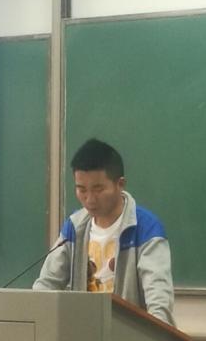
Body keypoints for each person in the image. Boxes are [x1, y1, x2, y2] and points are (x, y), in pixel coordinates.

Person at [33, 138, 175, 326]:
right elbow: (46, 285)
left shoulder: (146, 229)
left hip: (129, 336)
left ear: (120, 184)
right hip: (84, 334)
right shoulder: (75, 227)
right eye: (81, 190)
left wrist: (157, 334)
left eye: (98, 189)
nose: (90, 199)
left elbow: (158, 299)